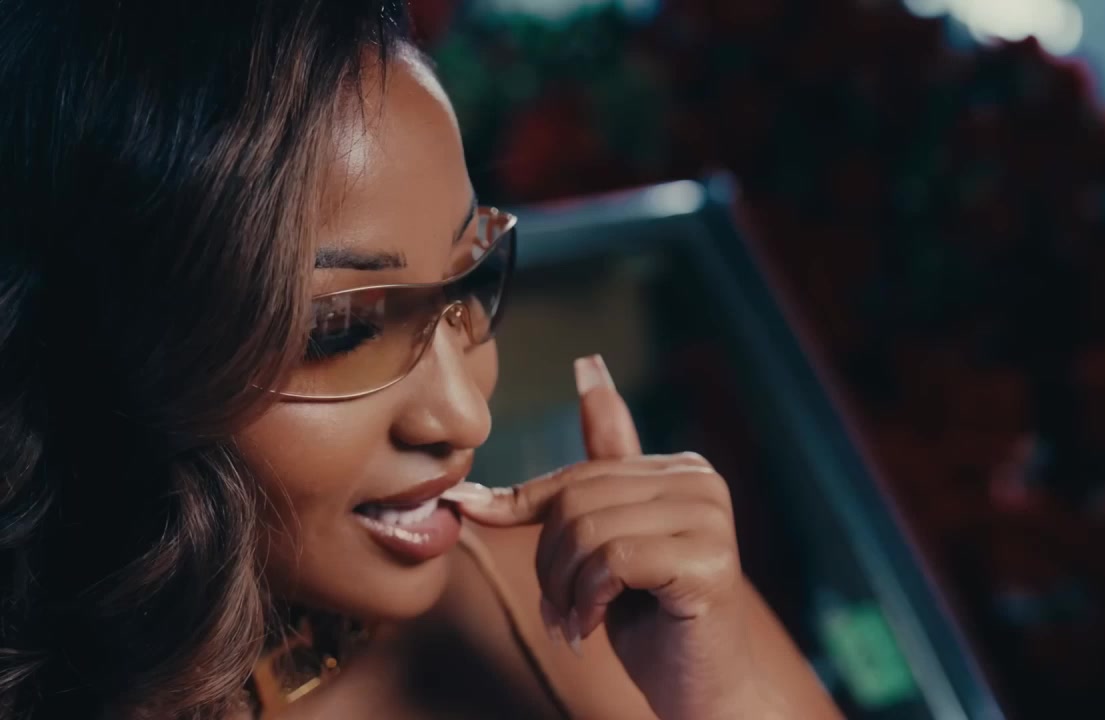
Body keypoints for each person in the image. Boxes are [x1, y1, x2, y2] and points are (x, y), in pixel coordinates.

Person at [0, 1, 843, 718]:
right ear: (103, 351)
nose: (467, 416)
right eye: (339, 332)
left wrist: (723, 694)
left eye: (468, 278)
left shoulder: (614, 617)